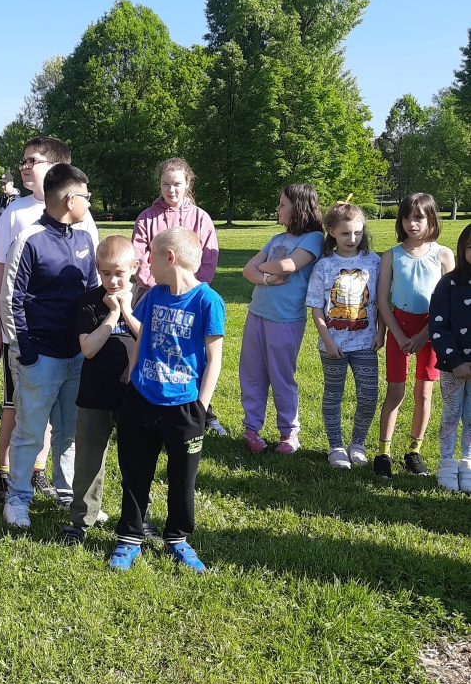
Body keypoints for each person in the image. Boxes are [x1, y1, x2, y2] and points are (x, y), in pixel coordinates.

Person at [0, 136, 100, 505]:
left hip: (76, 356)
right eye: (86, 196)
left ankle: (66, 492)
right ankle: (18, 498)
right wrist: (26, 351)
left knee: (69, 430)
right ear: (69, 201)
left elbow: (92, 294)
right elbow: (12, 299)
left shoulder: (85, 239)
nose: (89, 203)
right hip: (39, 356)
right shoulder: (29, 239)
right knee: (30, 431)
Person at [109, 227, 224, 572]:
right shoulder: (154, 294)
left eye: (151, 257)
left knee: (182, 479)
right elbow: (142, 337)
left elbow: (214, 359)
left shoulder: (208, 301)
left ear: (169, 258)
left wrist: (201, 407)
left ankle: (177, 538)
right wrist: (131, 380)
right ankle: (129, 537)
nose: (147, 264)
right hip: (142, 399)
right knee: (135, 474)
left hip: (185, 408)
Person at [131, 157, 224, 434]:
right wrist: (158, 286)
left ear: (188, 184)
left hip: (189, 298)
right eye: (166, 184)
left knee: (191, 355)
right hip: (152, 294)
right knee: (152, 348)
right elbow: (140, 256)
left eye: (177, 184)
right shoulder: (147, 217)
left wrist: (189, 288)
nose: (171, 190)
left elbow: (208, 258)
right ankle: (143, 400)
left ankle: (202, 409)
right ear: (159, 185)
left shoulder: (201, 218)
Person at [62, 235, 141, 545]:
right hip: (94, 393)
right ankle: (80, 520)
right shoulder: (89, 302)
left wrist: (127, 311)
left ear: (134, 267)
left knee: (135, 460)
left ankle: (137, 519)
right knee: (88, 461)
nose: (112, 280)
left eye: (119, 273)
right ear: (96, 268)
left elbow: (149, 340)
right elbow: (89, 348)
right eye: (105, 273)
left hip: (134, 394)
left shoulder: (147, 298)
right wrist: (112, 314)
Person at [374, 192, 454, 478]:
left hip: (433, 331)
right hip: (399, 328)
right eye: (406, 217)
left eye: (418, 217)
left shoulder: (443, 254)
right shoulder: (391, 255)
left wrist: (424, 334)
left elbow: (450, 302)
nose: (412, 223)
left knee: (424, 392)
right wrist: (396, 334)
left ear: (431, 218)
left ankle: (413, 451)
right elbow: (382, 300)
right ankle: (383, 452)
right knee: (395, 391)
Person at [239, 184, 324, 455]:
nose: (277, 209)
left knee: (281, 376)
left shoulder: (313, 238)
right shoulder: (276, 239)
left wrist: (262, 269)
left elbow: (288, 265)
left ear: (299, 208)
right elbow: (247, 270)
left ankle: (289, 433)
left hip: (285, 319)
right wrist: (266, 278)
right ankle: (251, 428)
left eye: (282, 204)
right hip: (257, 314)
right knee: (252, 374)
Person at [306, 203, 382, 469]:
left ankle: (357, 444)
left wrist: (381, 332)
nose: (352, 239)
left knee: (369, 395)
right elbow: (316, 307)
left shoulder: (374, 262)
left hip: (366, 343)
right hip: (333, 345)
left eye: (358, 233)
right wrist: (327, 341)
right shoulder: (324, 265)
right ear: (332, 232)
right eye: (346, 233)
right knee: (333, 395)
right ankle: (335, 446)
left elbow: (382, 301)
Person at [429, 223, 471, 491]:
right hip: (452, 366)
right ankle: (446, 460)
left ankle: (468, 461)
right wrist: (455, 361)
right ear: (462, 248)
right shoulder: (449, 284)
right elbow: (438, 326)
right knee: (451, 414)